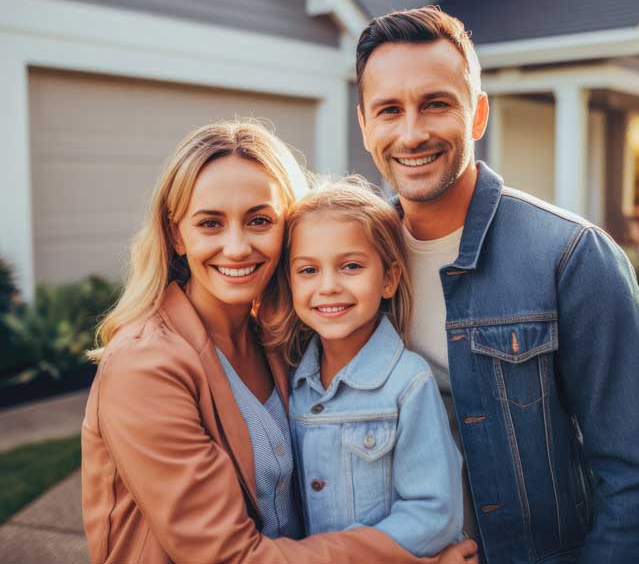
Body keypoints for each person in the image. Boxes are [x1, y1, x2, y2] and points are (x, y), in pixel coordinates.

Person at [355, 7, 639, 564]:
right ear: (365, 126)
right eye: (389, 110)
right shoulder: (348, 266)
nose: (412, 133)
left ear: (478, 114)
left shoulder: (573, 257)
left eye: (436, 104)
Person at [81, 119, 477, 564]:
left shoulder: (280, 345)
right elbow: (228, 556)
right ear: (176, 234)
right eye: (210, 223)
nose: (236, 247)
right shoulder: (144, 366)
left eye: (259, 220)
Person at [276, 177, 463, 557]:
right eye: (308, 270)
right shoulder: (290, 380)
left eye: (350, 266)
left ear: (389, 279)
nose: (328, 286)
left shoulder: (407, 383)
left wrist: (325, 554)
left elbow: (435, 512)